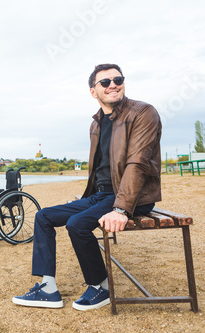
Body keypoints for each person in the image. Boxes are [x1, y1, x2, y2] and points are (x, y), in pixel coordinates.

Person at [13, 64, 162, 311]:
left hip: (132, 196)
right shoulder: (96, 123)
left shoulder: (143, 112)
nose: (113, 84)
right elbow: (99, 168)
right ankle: (48, 288)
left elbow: (138, 164)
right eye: (105, 82)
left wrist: (122, 210)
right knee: (43, 216)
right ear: (93, 91)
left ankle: (101, 287)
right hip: (103, 195)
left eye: (118, 79)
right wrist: (86, 200)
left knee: (77, 224)